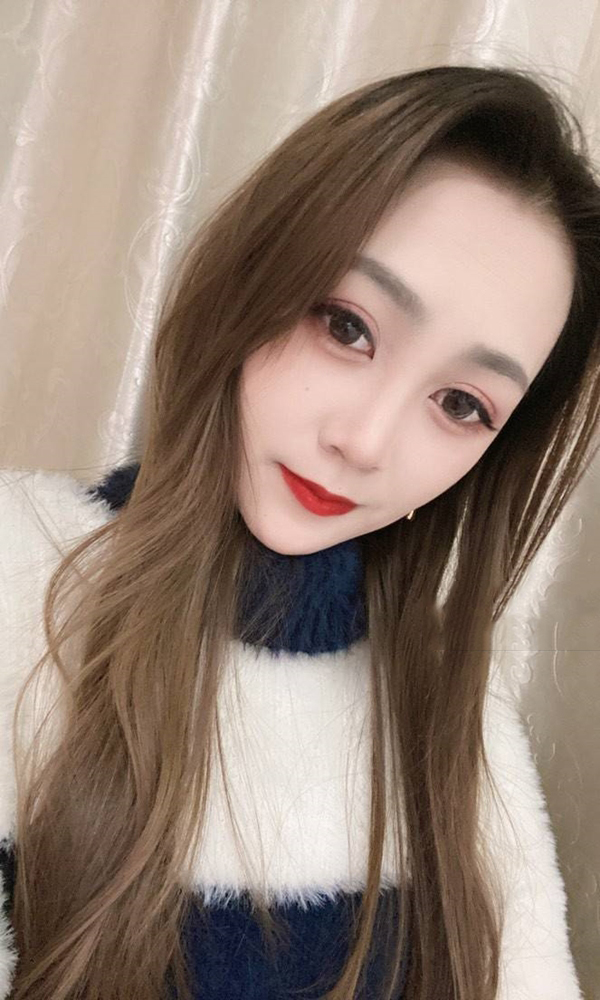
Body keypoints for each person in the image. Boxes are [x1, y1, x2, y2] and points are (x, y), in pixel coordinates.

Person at [0, 63, 596, 1000]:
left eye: (460, 403)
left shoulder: (452, 709)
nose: (364, 442)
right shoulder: (19, 573)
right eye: (347, 326)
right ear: (254, 273)